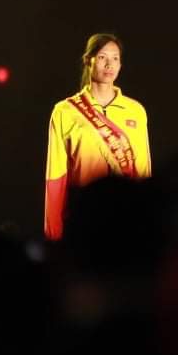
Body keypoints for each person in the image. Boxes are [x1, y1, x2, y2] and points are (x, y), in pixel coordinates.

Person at [44, 33, 152, 240]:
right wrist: (53, 236)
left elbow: (144, 172)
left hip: (126, 221)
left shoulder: (135, 111)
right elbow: (56, 178)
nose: (109, 64)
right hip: (83, 221)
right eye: (102, 57)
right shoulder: (64, 111)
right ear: (88, 60)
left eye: (115, 58)